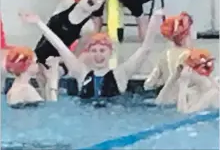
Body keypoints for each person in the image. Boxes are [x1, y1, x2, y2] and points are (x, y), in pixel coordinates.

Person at [20, 9, 163, 99]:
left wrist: (154, 23)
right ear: (88, 53)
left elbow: (145, 49)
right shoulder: (81, 73)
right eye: (94, 51)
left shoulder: (121, 74)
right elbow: (61, 47)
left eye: (102, 50)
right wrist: (39, 23)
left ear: (110, 52)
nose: (98, 55)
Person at [155, 48, 219, 113]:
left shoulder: (212, 94)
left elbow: (183, 115)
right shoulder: (192, 90)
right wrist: (173, 77)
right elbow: (159, 103)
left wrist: (183, 83)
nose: (183, 73)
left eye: (187, 69)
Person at [144, 11, 193, 90]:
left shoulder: (164, 57)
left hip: (167, 97)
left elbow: (148, 85)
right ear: (188, 34)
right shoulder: (194, 58)